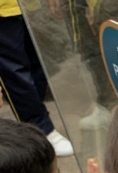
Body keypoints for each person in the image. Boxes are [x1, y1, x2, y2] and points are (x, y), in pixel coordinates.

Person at [0, 0, 75, 157]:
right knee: (15, 72)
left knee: (37, 63)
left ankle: (35, 125)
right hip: (3, 11)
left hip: (25, 6)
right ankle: (41, 129)